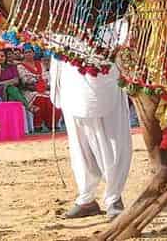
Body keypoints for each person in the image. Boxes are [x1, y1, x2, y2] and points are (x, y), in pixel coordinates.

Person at [50, 59, 132, 219]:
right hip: (70, 78)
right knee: (79, 145)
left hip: (102, 78)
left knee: (110, 142)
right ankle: (86, 199)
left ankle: (114, 199)